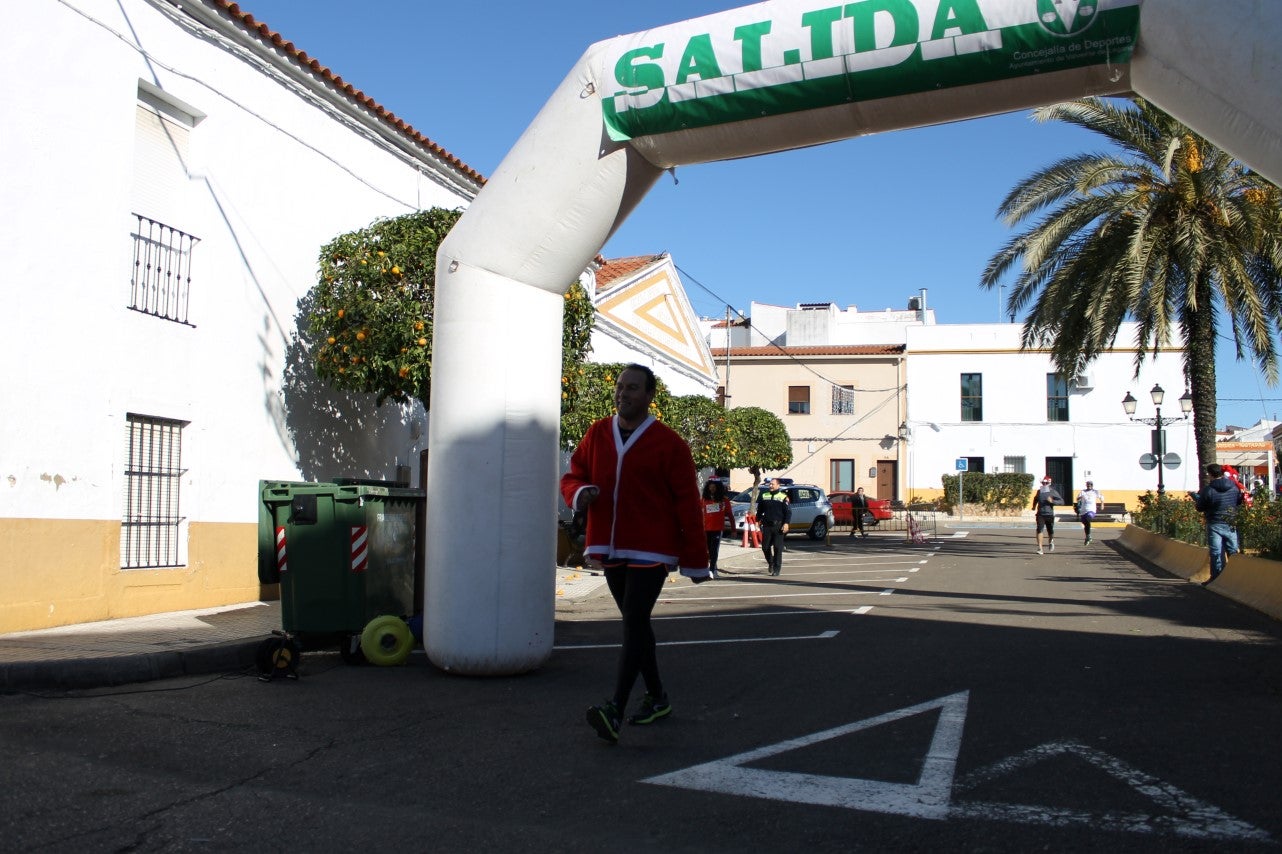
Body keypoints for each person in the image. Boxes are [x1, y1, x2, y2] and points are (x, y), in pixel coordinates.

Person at [560, 364, 709, 745]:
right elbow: (572, 475)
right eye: (620, 387)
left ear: (648, 395)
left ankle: (615, 708)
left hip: (652, 549)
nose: (622, 393)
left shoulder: (670, 444)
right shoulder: (597, 433)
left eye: (632, 388)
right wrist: (581, 493)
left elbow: (687, 504)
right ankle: (658, 697)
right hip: (609, 546)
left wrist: (695, 559)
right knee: (637, 625)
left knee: (634, 622)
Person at [1191, 463, 1245, 585]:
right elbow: (1238, 501)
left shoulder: (1208, 490)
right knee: (1232, 551)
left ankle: (1216, 578)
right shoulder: (1234, 487)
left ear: (1210, 474)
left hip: (1214, 523)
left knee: (1216, 552)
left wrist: (1195, 497)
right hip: (1230, 522)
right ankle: (1235, 578)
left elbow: (1200, 507)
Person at [755, 477, 791, 575]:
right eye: (770, 484)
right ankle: (771, 562)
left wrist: (786, 523)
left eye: (773, 484)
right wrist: (757, 520)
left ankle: (776, 569)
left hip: (778, 526)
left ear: (778, 486)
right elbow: (760, 511)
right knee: (765, 547)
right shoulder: (764, 496)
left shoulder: (783, 497)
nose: (770, 486)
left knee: (777, 548)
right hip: (767, 526)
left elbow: (788, 512)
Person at [701, 479, 734, 578]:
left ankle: (712, 570)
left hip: (717, 529)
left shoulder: (724, 500)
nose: (712, 489)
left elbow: (730, 515)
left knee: (714, 550)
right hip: (705, 529)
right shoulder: (703, 500)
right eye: (710, 487)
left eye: (714, 487)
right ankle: (707, 569)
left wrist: (733, 529)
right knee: (706, 551)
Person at [1031, 475, 1064, 555]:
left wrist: (1052, 501)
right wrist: (1034, 506)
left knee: (1050, 531)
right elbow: (1035, 499)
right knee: (1039, 529)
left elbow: (1062, 502)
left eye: (1045, 483)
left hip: (1049, 514)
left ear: (1049, 483)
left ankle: (1051, 541)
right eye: (1043, 483)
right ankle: (1040, 548)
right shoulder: (1039, 491)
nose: (1044, 484)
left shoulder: (1052, 491)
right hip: (1040, 514)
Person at [1075, 480, 1102, 544]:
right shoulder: (1083, 492)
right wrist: (1079, 498)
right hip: (1083, 511)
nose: (1088, 486)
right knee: (1085, 524)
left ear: (1092, 485)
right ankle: (1087, 536)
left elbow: (1101, 497)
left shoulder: (1095, 492)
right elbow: (1077, 498)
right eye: (1087, 485)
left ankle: (1088, 536)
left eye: (1089, 485)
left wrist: (1102, 504)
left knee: (1088, 519)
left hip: (1091, 510)